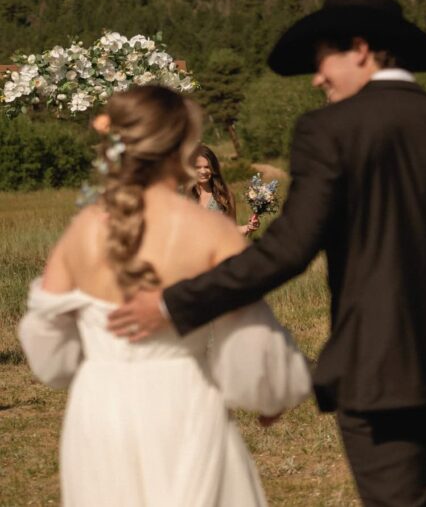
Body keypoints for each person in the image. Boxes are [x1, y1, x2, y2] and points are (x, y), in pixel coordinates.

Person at [107, 0, 426, 505]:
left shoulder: (327, 132)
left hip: (376, 377)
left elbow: (287, 249)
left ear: (362, 50)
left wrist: (175, 303)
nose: (317, 77)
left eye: (322, 59)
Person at [17, 85, 310, 506]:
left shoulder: (83, 230)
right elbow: (251, 335)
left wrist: (97, 361)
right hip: (183, 402)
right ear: (183, 147)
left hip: (100, 411)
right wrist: (271, 393)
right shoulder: (211, 232)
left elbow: (48, 349)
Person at [189, 143, 260, 236]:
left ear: (213, 168)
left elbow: (232, 231)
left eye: (207, 167)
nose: (203, 171)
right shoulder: (182, 195)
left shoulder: (225, 196)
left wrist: (248, 227)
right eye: (198, 167)